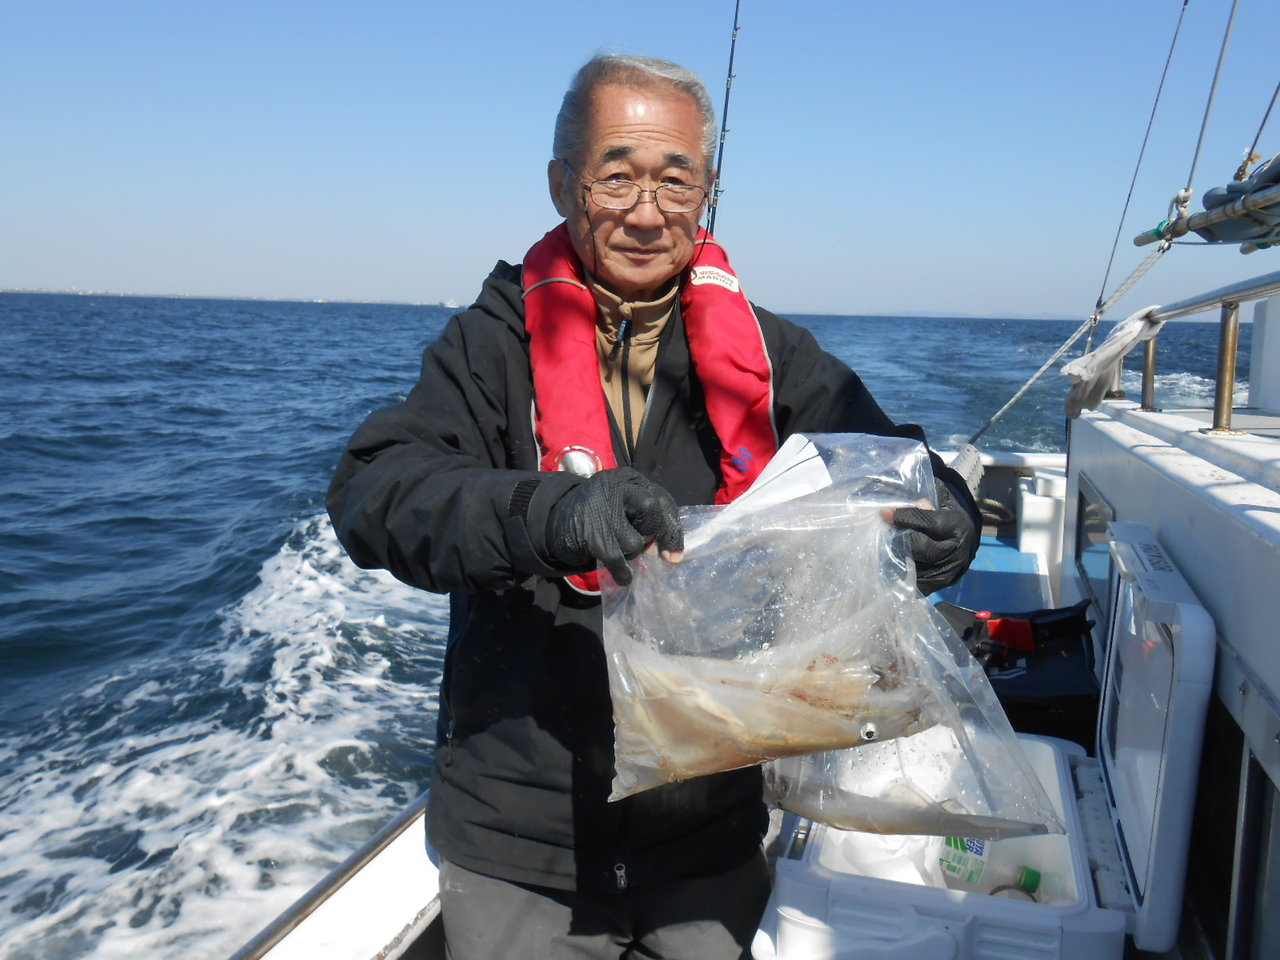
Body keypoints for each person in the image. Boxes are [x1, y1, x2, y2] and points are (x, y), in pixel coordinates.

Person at [327, 53, 979, 960]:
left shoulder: (772, 357)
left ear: (706, 191)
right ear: (563, 185)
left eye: (677, 180)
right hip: (522, 844)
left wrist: (948, 514)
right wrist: (552, 514)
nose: (647, 211)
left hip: (708, 829)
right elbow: (377, 490)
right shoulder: (486, 347)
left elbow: (891, 460)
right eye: (616, 176)